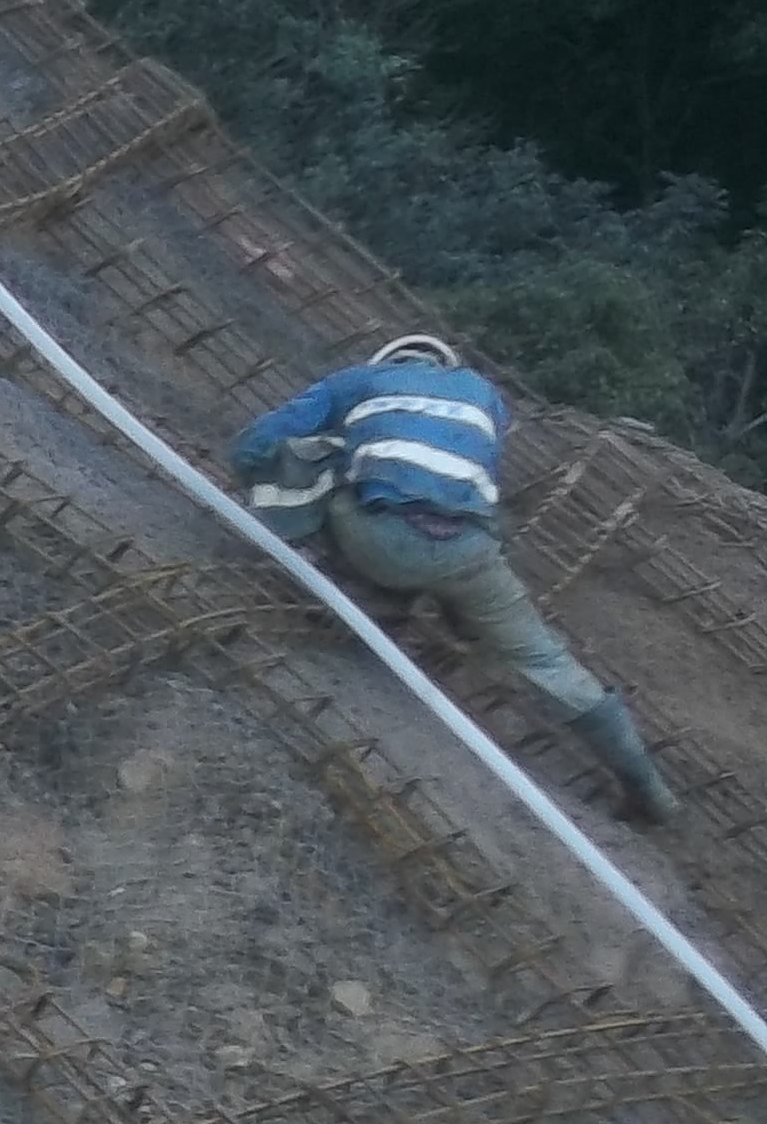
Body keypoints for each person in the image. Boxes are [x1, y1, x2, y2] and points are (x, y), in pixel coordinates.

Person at [231, 334, 675, 824]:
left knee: (328, 460)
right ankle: (647, 787)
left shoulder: (359, 381)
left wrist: (250, 474)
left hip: (379, 540)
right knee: (546, 659)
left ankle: (354, 585)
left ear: (389, 360)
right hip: (470, 553)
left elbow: (261, 439)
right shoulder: (486, 397)